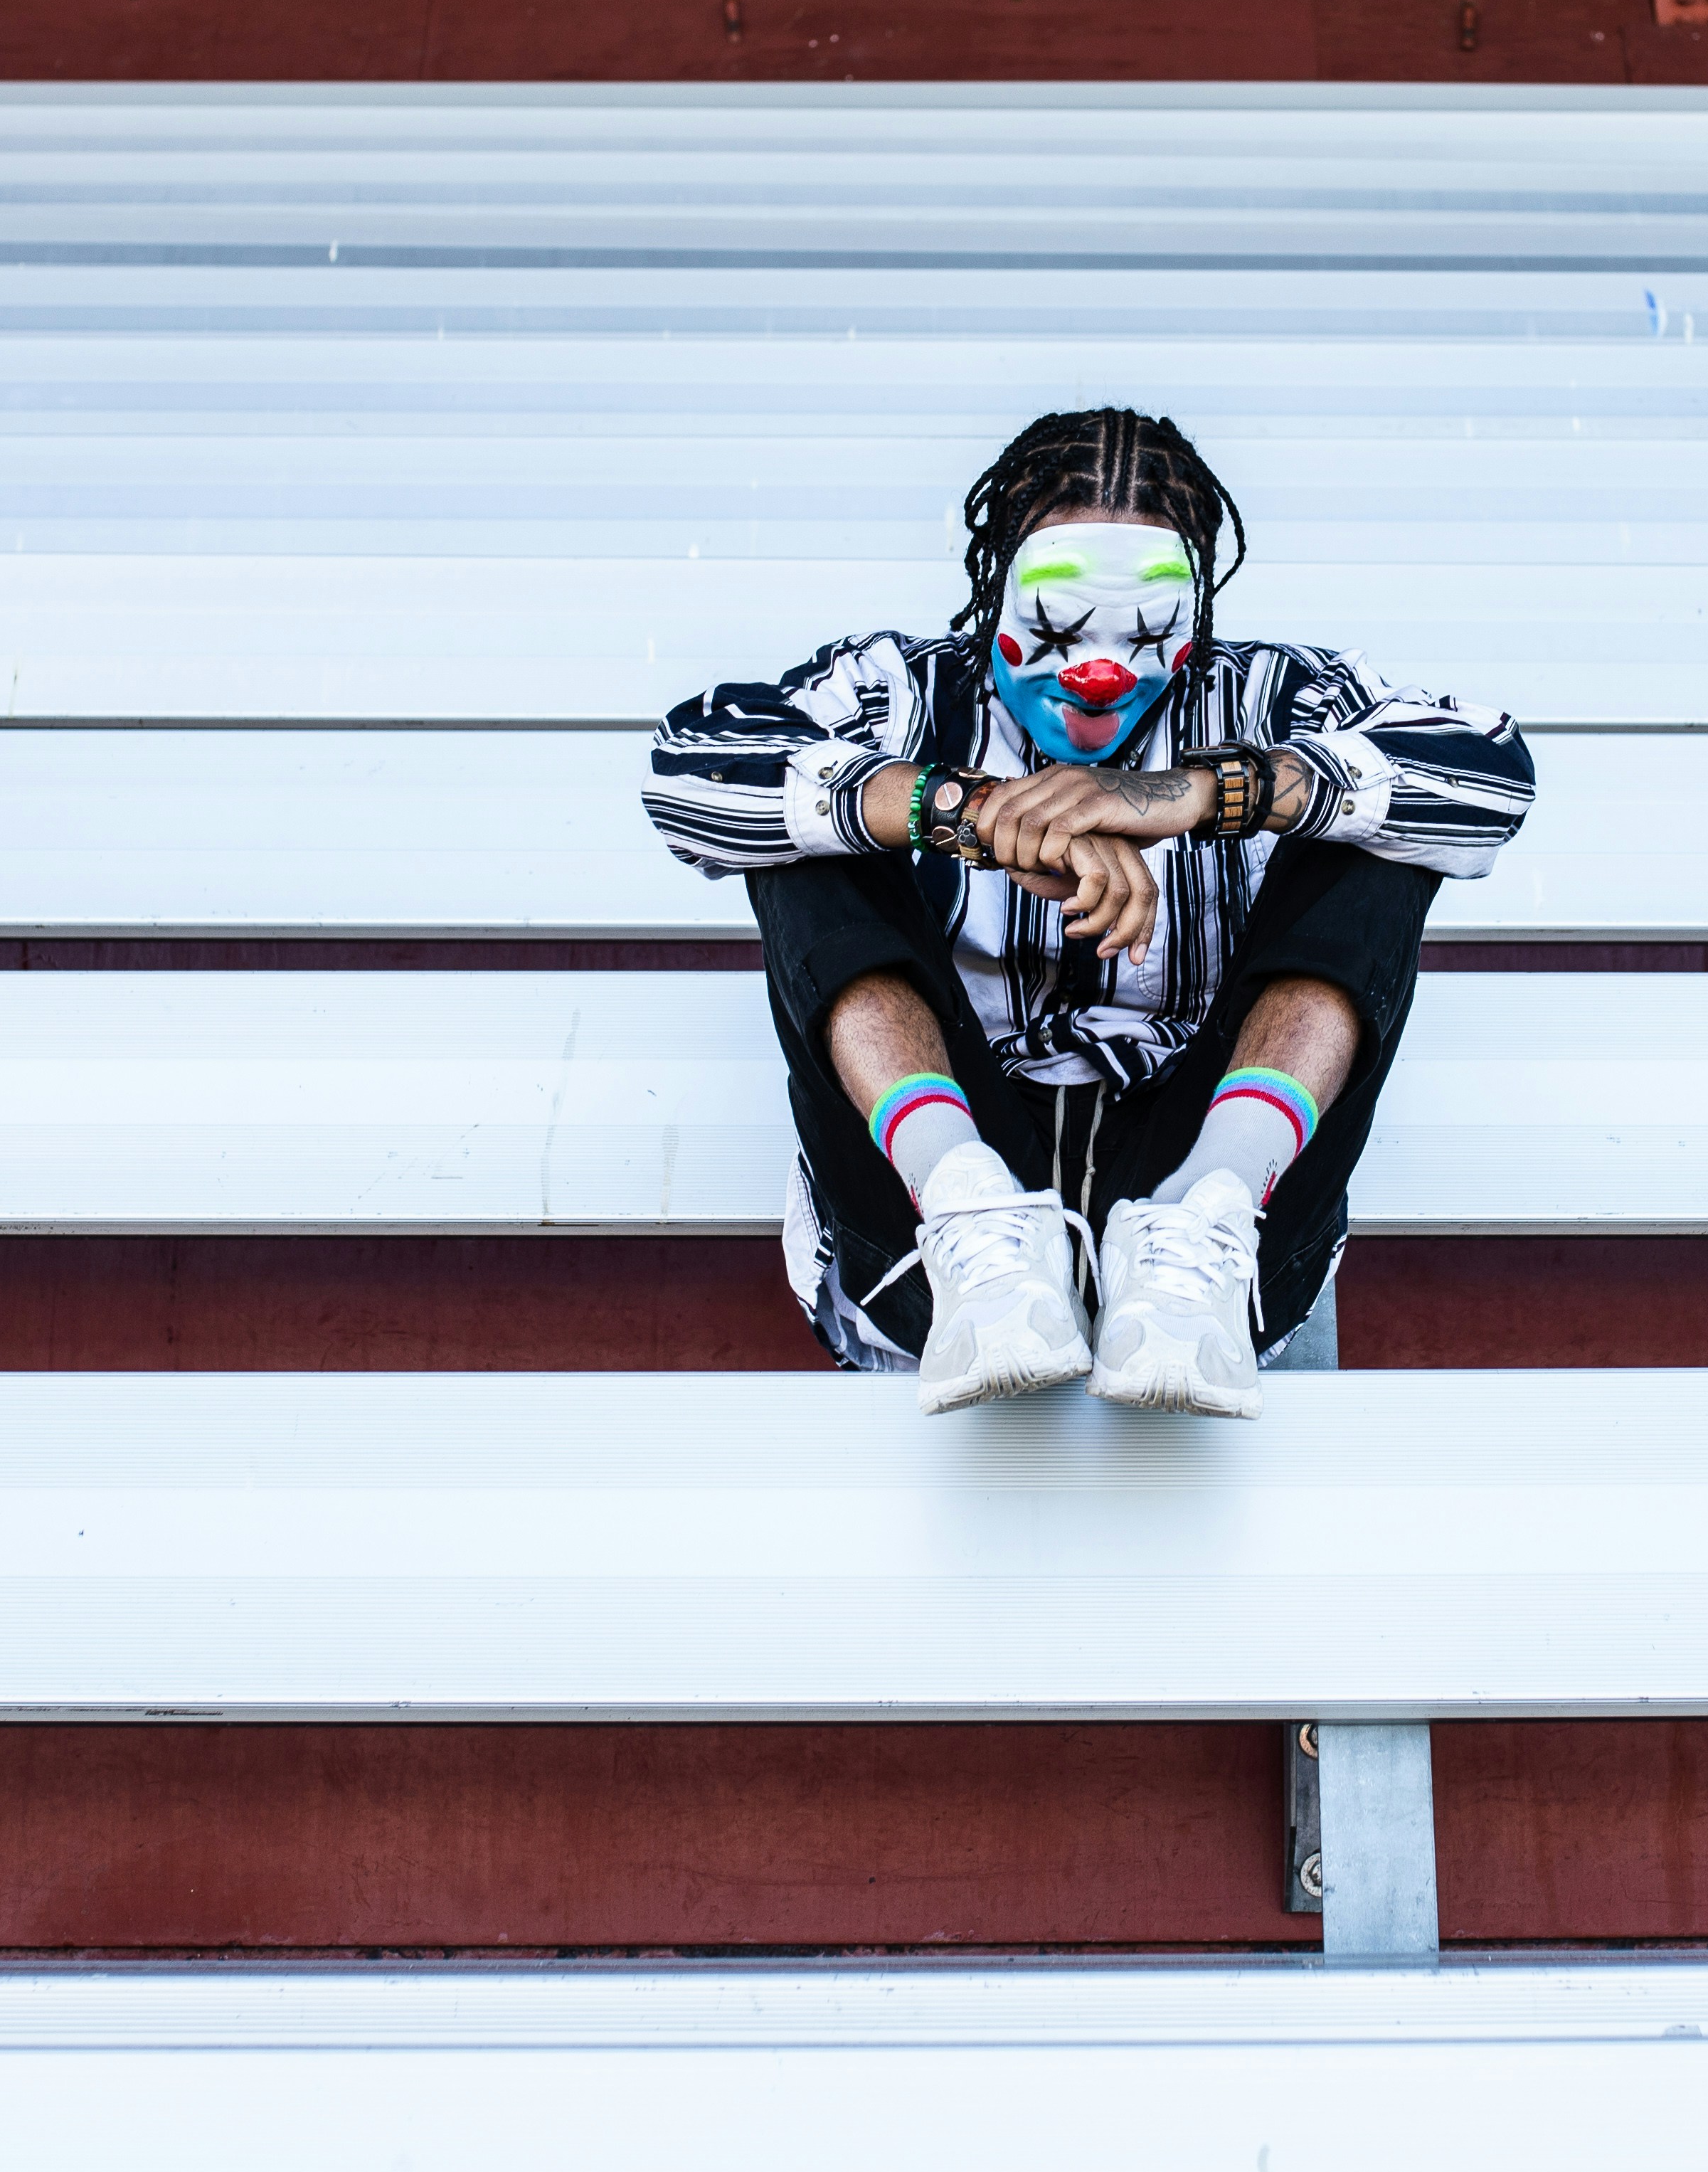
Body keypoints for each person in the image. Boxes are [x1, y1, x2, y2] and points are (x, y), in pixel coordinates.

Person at [645, 408, 1537, 1416]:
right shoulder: (903, 689)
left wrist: (1194, 796)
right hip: (938, 1201)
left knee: (1385, 824)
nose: (1099, 670)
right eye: (1060, 625)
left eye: (1147, 631)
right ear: (995, 593)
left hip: (1205, 1200)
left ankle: (1213, 1207)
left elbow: (1492, 778)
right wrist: (963, 812)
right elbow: (689, 771)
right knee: (807, 821)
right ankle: (968, 1204)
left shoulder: (1263, 696)